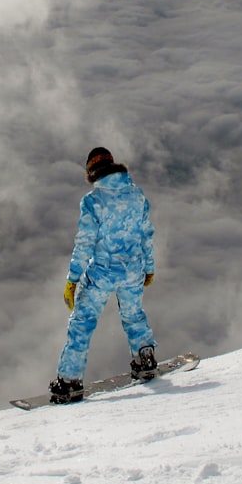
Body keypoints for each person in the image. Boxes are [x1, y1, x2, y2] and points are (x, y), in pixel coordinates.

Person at [50, 147, 158, 404]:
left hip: (102, 273)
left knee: (82, 324)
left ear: (92, 172)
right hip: (133, 269)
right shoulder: (137, 195)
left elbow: (85, 243)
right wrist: (149, 267)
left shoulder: (93, 201)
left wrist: (72, 279)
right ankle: (146, 359)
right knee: (133, 315)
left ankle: (69, 381)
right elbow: (146, 234)